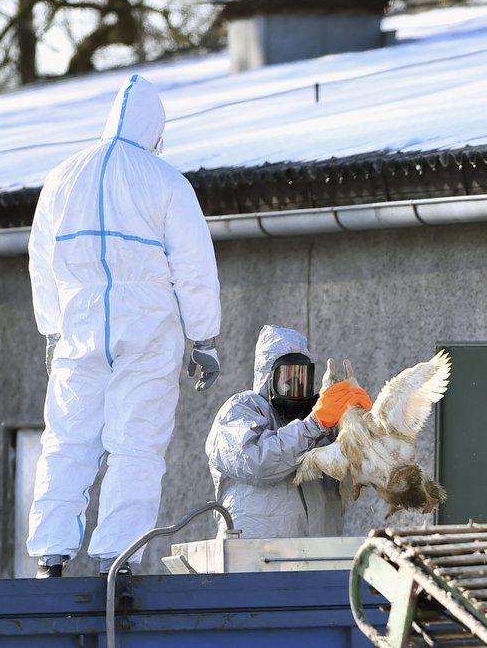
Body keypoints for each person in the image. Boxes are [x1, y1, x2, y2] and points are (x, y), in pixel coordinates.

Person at [27, 74, 221, 577]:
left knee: (67, 439)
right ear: (155, 128)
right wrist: (203, 338)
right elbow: (194, 268)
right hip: (149, 331)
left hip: (80, 327)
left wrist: (52, 328)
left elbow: (40, 262)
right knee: (136, 445)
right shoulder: (167, 182)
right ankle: (117, 556)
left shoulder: (62, 178)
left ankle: (50, 553)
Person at [205, 325, 372, 539]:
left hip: (319, 558)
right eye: (287, 376)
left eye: (302, 376)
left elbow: (361, 473)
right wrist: (315, 423)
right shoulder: (240, 409)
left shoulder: (320, 421)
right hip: (252, 559)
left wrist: (362, 423)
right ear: (269, 376)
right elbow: (258, 461)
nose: (296, 383)